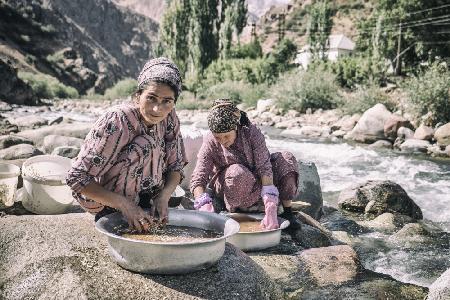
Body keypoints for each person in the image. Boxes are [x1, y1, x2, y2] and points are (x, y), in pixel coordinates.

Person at [66, 57, 187, 232]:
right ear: (138, 96)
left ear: (174, 102)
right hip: (105, 199)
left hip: (145, 195)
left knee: (152, 144)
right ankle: (114, 209)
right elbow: (76, 177)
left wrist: (163, 197)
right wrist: (124, 205)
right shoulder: (118, 121)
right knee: (146, 144)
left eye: (167, 101)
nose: (157, 109)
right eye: (151, 98)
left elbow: (176, 165)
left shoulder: (170, 117)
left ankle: (144, 203)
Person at [190, 99, 301, 230]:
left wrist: (270, 202)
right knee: (238, 172)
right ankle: (240, 209)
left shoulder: (251, 132)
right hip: (232, 185)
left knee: (286, 158)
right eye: (218, 137)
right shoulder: (210, 141)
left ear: (236, 127)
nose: (222, 141)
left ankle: (286, 212)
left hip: (259, 182)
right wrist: (203, 203)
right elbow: (198, 177)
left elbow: (264, 166)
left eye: (226, 136)